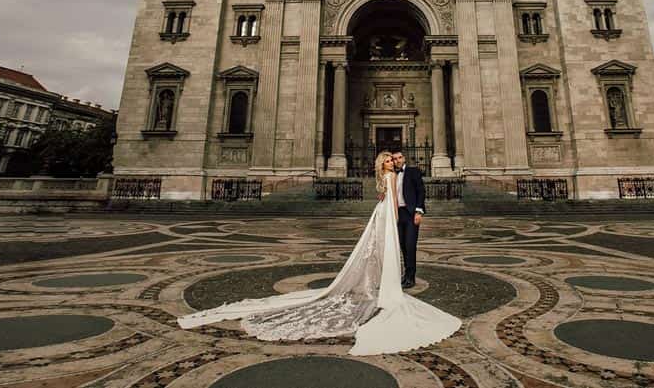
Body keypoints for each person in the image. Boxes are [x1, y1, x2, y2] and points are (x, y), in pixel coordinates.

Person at [177, 151, 460, 356]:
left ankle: (399, 276)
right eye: (389, 159)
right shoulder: (389, 175)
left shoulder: (400, 174)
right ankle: (390, 280)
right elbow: (386, 197)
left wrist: (416, 210)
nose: (392, 161)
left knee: (395, 248)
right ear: (384, 163)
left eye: (394, 159)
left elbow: (402, 195)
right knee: (387, 248)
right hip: (388, 216)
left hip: (398, 215)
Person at [391, 151, 424, 288]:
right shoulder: (393, 175)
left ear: (404, 158)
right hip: (398, 214)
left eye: (400, 157)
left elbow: (421, 191)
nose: (398, 160)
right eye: (395, 159)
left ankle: (411, 277)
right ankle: (406, 275)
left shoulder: (413, 171)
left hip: (411, 214)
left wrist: (419, 211)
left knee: (410, 246)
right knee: (403, 246)